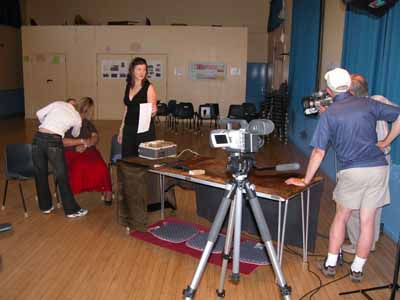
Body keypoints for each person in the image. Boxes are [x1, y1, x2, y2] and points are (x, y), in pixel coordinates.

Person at [285, 68, 400, 282]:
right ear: (349, 85)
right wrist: (386, 142)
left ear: (329, 90)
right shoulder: (369, 103)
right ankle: (357, 269)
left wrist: (305, 180)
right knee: (367, 221)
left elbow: (319, 152)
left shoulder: (330, 114)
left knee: (341, 217)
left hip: (352, 171)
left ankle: (330, 264)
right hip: (378, 168)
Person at [342, 74, 394, 254]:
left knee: (353, 207)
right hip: (381, 162)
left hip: (364, 162)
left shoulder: (357, 106)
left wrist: (386, 141)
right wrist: (387, 142)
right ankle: (368, 242)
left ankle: (358, 245)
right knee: (373, 206)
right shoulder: (378, 101)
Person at [32, 99, 88, 218]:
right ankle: (71, 210)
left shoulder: (58, 103)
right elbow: (75, 134)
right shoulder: (77, 116)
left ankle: (45, 206)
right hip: (53, 141)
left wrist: (47, 123)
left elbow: (38, 113)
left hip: (38, 138)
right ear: (75, 106)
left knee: (40, 174)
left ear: (67, 103)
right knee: (62, 176)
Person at [63, 97, 113, 205]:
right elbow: (62, 141)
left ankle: (107, 192)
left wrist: (85, 144)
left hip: (88, 150)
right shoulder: (66, 123)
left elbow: (95, 137)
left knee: (101, 166)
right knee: (80, 166)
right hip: (71, 151)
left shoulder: (87, 123)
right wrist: (78, 143)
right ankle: (71, 195)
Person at [118, 57, 157, 157]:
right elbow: (127, 109)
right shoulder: (129, 85)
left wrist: (154, 111)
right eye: (139, 69)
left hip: (143, 131)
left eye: (144, 69)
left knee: (142, 161)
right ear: (132, 70)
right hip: (128, 128)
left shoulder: (149, 87)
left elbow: (152, 112)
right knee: (127, 159)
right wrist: (121, 130)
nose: (142, 72)